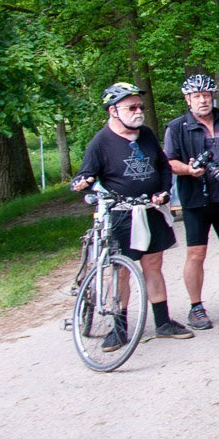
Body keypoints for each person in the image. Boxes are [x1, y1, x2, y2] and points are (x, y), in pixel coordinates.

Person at [73, 82, 191, 346]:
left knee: (153, 266)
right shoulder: (101, 142)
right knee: (121, 271)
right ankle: (119, 328)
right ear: (113, 110)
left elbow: (163, 166)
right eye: (132, 108)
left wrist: (163, 191)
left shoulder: (146, 134)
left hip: (150, 210)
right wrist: (83, 182)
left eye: (140, 107)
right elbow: (85, 174)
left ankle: (163, 322)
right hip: (120, 215)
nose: (139, 112)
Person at [163, 74, 219, 330]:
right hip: (195, 199)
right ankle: (196, 306)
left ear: (213, 96)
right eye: (197, 96)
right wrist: (188, 170)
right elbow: (169, 161)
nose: (202, 100)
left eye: (206, 95)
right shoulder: (177, 127)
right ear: (188, 99)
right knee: (196, 253)